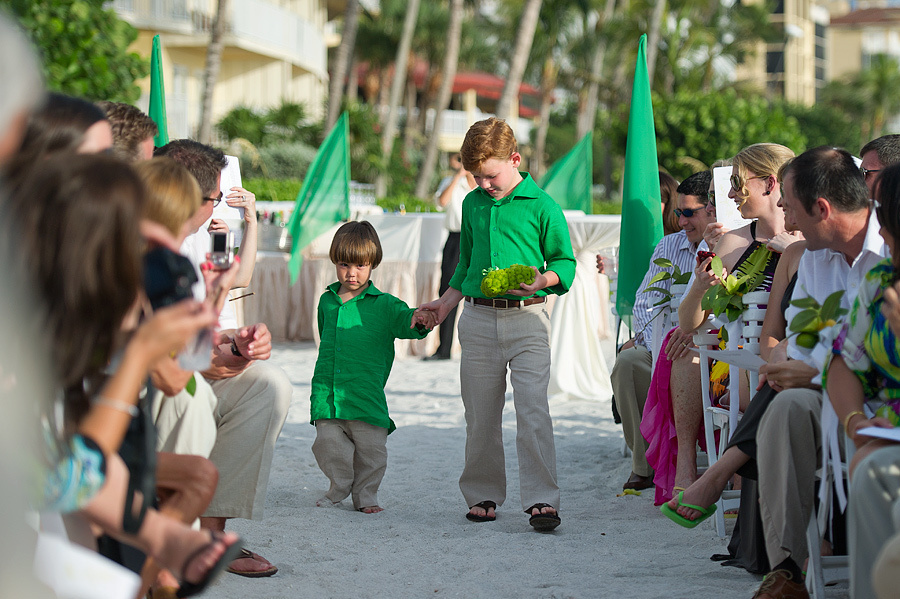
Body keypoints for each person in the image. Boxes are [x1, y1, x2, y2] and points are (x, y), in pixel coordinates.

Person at [6, 153, 242, 597]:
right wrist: (141, 352)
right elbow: (174, 378)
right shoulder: (90, 289)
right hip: (72, 451)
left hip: (89, 445)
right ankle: (153, 568)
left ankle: (153, 570)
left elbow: (184, 366)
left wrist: (213, 298)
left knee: (196, 475)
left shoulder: (130, 281)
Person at [419, 117, 576, 531]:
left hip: (529, 321)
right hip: (478, 320)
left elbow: (565, 262)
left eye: (490, 176)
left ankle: (542, 499)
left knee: (533, 411)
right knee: (481, 414)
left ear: (515, 159)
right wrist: (444, 305)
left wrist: (544, 279)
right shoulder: (471, 204)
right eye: (476, 177)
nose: (484, 184)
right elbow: (466, 267)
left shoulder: (543, 206)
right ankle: (483, 493)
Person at [744, 146, 887, 599]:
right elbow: (803, 342)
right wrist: (801, 371)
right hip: (836, 398)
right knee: (786, 406)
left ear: (822, 208)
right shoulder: (814, 258)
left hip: (885, 399)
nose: (784, 214)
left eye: (788, 203)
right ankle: (786, 567)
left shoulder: (892, 246)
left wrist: (813, 372)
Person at [155, 138, 292, 578]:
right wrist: (202, 356)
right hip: (145, 382)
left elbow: (229, 286)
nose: (220, 208)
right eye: (217, 197)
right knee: (191, 398)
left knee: (269, 384)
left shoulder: (206, 236)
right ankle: (171, 530)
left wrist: (237, 340)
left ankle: (212, 532)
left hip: (180, 362)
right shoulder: (138, 246)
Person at [643, 143, 795, 506]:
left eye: (737, 183)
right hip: (738, 365)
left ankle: (731, 480)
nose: (729, 195)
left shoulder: (806, 244)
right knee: (689, 347)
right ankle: (701, 474)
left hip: (785, 360)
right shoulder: (733, 243)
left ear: (770, 184)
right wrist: (698, 286)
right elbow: (689, 321)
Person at [311, 221, 436, 512]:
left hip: (367, 394)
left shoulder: (386, 305)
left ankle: (365, 496)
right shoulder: (326, 302)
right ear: (334, 262)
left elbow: (406, 321)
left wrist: (419, 320)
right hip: (329, 393)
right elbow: (323, 336)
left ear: (373, 265)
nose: (351, 273)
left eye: (360, 266)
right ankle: (339, 485)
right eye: (344, 264)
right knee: (328, 443)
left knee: (372, 453)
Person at [611, 170, 711, 491]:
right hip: (665, 344)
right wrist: (660, 346)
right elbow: (645, 304)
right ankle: (645, 463)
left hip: (712, 349)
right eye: (678, 212)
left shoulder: (734, 245)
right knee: (626, 363)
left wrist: (691, 337)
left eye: (689, 213)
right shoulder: (668, 246)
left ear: (712, 209)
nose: (681, 221)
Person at [826, 162, 900, 598]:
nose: (882, 234)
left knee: (872, 469)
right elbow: (842, 362)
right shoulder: (879, 282)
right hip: (884, 425)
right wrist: (855, 422)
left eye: (886, 221)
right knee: (869, 463)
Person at [424, 153, 476, 361]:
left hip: (474, 238)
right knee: (446, 290)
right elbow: (442, 201)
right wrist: (457, 177)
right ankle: (443, 349)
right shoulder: (450, 181)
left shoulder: (479, 182)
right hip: (454, 239)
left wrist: (470, 175)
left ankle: (471, 349)